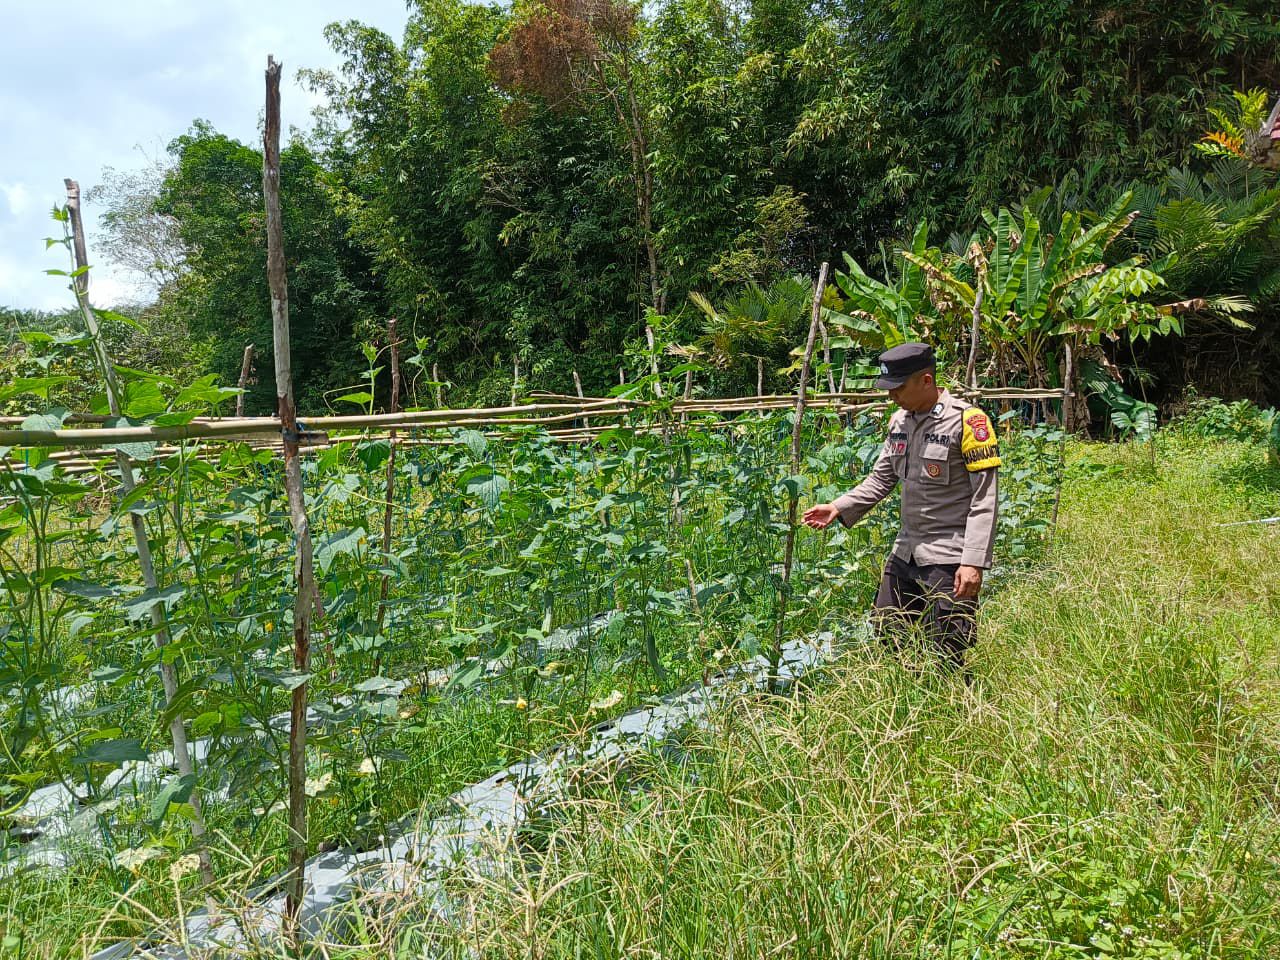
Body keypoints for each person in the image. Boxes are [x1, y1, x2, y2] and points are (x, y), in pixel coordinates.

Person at [802, 342, 1001, 667]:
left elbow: (985, 499)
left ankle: (955, 709)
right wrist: (838, 506)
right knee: (888, 629)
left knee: (948, 649)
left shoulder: (967, 423)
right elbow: (881, 479)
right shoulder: (899, 422)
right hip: (907, 550)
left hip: (950, 555)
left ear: (926, 380)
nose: (892, 396)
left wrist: (973, 562)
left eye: (898, 387)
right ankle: (911, 697)